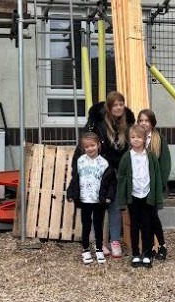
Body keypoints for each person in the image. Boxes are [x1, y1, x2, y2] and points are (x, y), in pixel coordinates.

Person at [83, 91, 135, 258]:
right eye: (115, 105)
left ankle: (115, 241)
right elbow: (88, 143)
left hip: (120, 171)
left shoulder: (128, 123)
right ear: (109, 107)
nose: (119, 108)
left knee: (115, 207)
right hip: (101, 170)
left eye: (121, 104)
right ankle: (99, 242)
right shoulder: (97, 122)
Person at [117, 124, 163, 268]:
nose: (136, 140)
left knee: (147, 226)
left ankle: (147, 254)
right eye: (133, 137)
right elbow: (122, 178)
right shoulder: (126, 157)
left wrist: (156, 198)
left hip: (147, 195)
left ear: (144, 139)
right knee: (134, 225)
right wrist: (122, 200)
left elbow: (156, 178)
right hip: (134, 196)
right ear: (129, 139)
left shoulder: (150, 156)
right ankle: (136, 254)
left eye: (139, 137)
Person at [66, 132, 116, 265]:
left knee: (98, 225)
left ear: (98, 145)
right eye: (87, 146)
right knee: (86, 226)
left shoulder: (104, 163)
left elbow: (111, 182)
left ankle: (99, 248)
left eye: (92, 145)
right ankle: (85, 249)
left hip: (98, 200)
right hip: (85, 200)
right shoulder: (81, 161)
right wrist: (71, 193)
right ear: (83, 148)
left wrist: (109, 197)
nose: (90, 149)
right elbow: (75, 179)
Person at [137, 109, 171, 261]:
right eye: (141, 120)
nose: (144, 123)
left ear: (152, 123)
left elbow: (165, 164)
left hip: (154, 187)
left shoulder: (159, 139)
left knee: (153, 216)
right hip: (140, 187)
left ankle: (162, 246)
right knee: (144, 218)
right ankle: (150, 247)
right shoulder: (136, 138)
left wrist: (161, 185)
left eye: (146, 120)